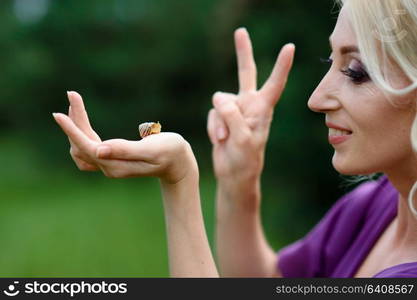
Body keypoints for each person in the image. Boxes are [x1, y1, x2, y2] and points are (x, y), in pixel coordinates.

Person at [53, 0, 417, 277]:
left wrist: (179, 181)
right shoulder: (375, 206)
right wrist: (238, 183)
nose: (316, 99)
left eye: (356, 72)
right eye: (331, 61)